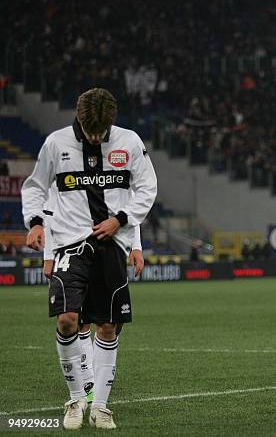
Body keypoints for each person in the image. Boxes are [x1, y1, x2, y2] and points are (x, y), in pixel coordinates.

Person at [21, 88, 157, 429]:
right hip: (70, 245)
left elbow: (146, 189)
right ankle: (75, 399)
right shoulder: (56, 143)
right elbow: (36, 187)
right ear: (79, 120)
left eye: (101, 131)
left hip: (111, 247)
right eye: (89, 130)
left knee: (108, 326)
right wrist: (36, 222)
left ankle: (100, 406)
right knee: (68, 320)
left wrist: (121, 222)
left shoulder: (129, 142)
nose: (95, 136)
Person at [43, 219, 145, 404]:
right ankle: (88, 383)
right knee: (79, 320)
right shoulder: (66, 190)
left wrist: (136, 246)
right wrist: (48, 256)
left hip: (112, 251)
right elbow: (50, 212)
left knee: (113, 324)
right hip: (75, 249)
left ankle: (98, 373)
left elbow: (131, 209)